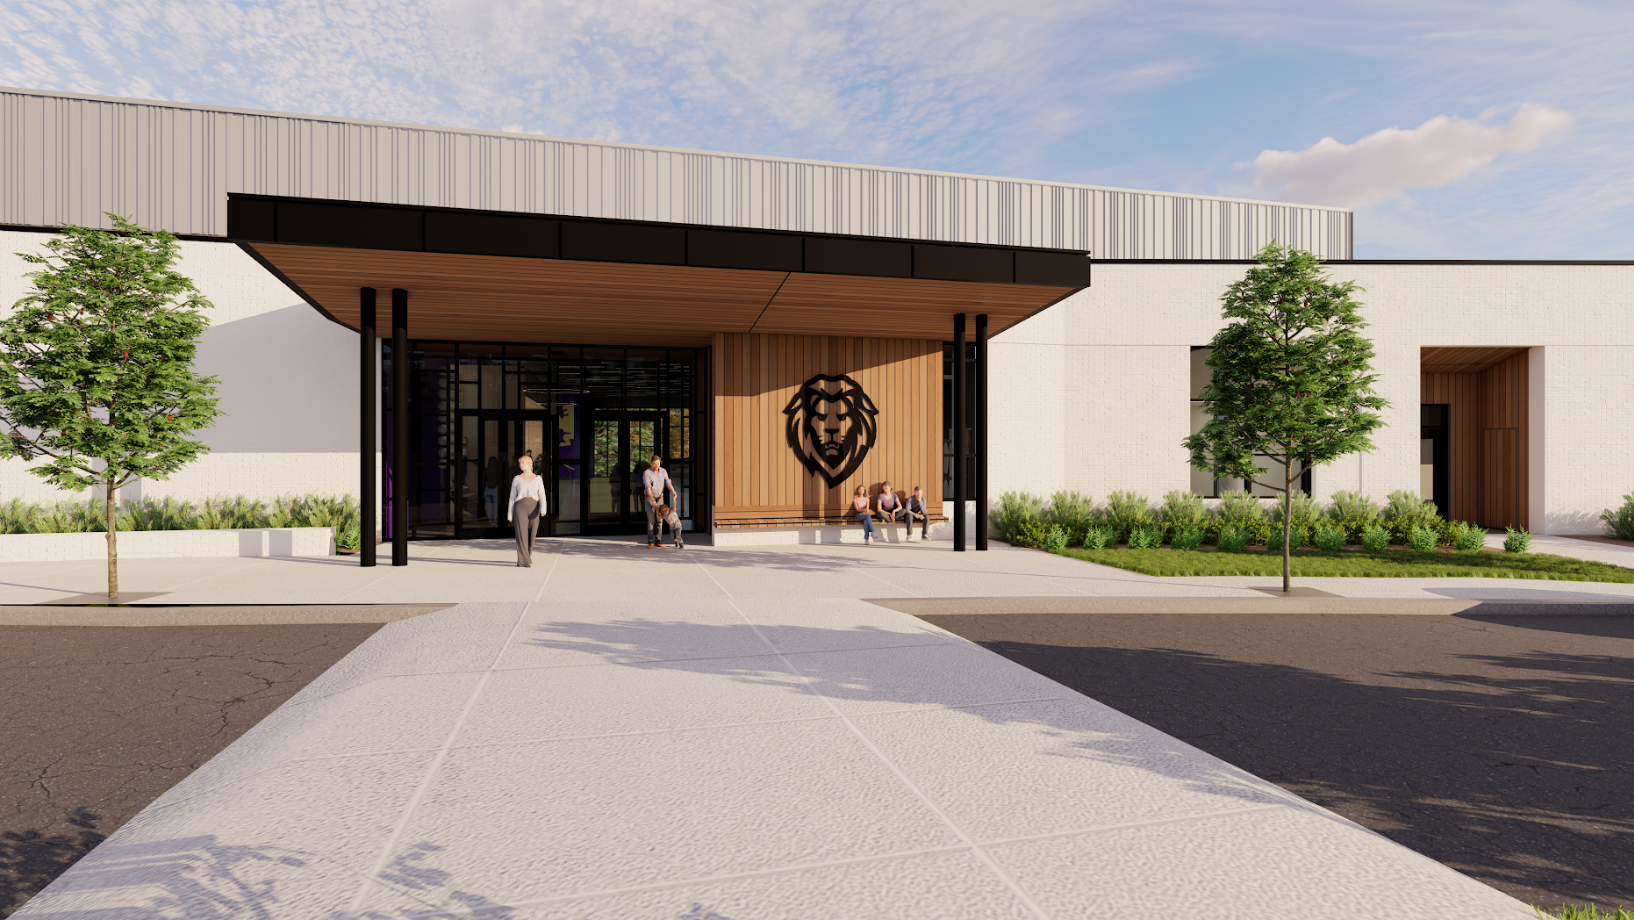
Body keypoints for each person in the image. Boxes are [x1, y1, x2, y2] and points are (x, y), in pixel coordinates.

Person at [507, 454, 547, 566]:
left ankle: (527, 556)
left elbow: (542, 495)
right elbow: (512, 497)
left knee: (532, 534)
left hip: (534, 507)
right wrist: (510, 514)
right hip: (520, 507)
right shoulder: (517, 479)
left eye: (522, 462)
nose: (520, 464)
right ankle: (523, 560)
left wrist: (543, 509)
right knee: (521, 534)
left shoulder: (538, 478)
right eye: (519, 462)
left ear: (529, 464)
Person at [642, 455, 678, 548]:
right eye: (654, 464)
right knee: (651, 521)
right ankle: (650, 542)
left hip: (660, 498)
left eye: (658, 463)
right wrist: (653, 501)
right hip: (650, 498)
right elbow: (648, 488)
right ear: (651, 463)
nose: (656, 465)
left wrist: (673, 491)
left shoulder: (663, 471)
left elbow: (668, 482)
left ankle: (658, 541)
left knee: (660, 520)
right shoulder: (647, 473)